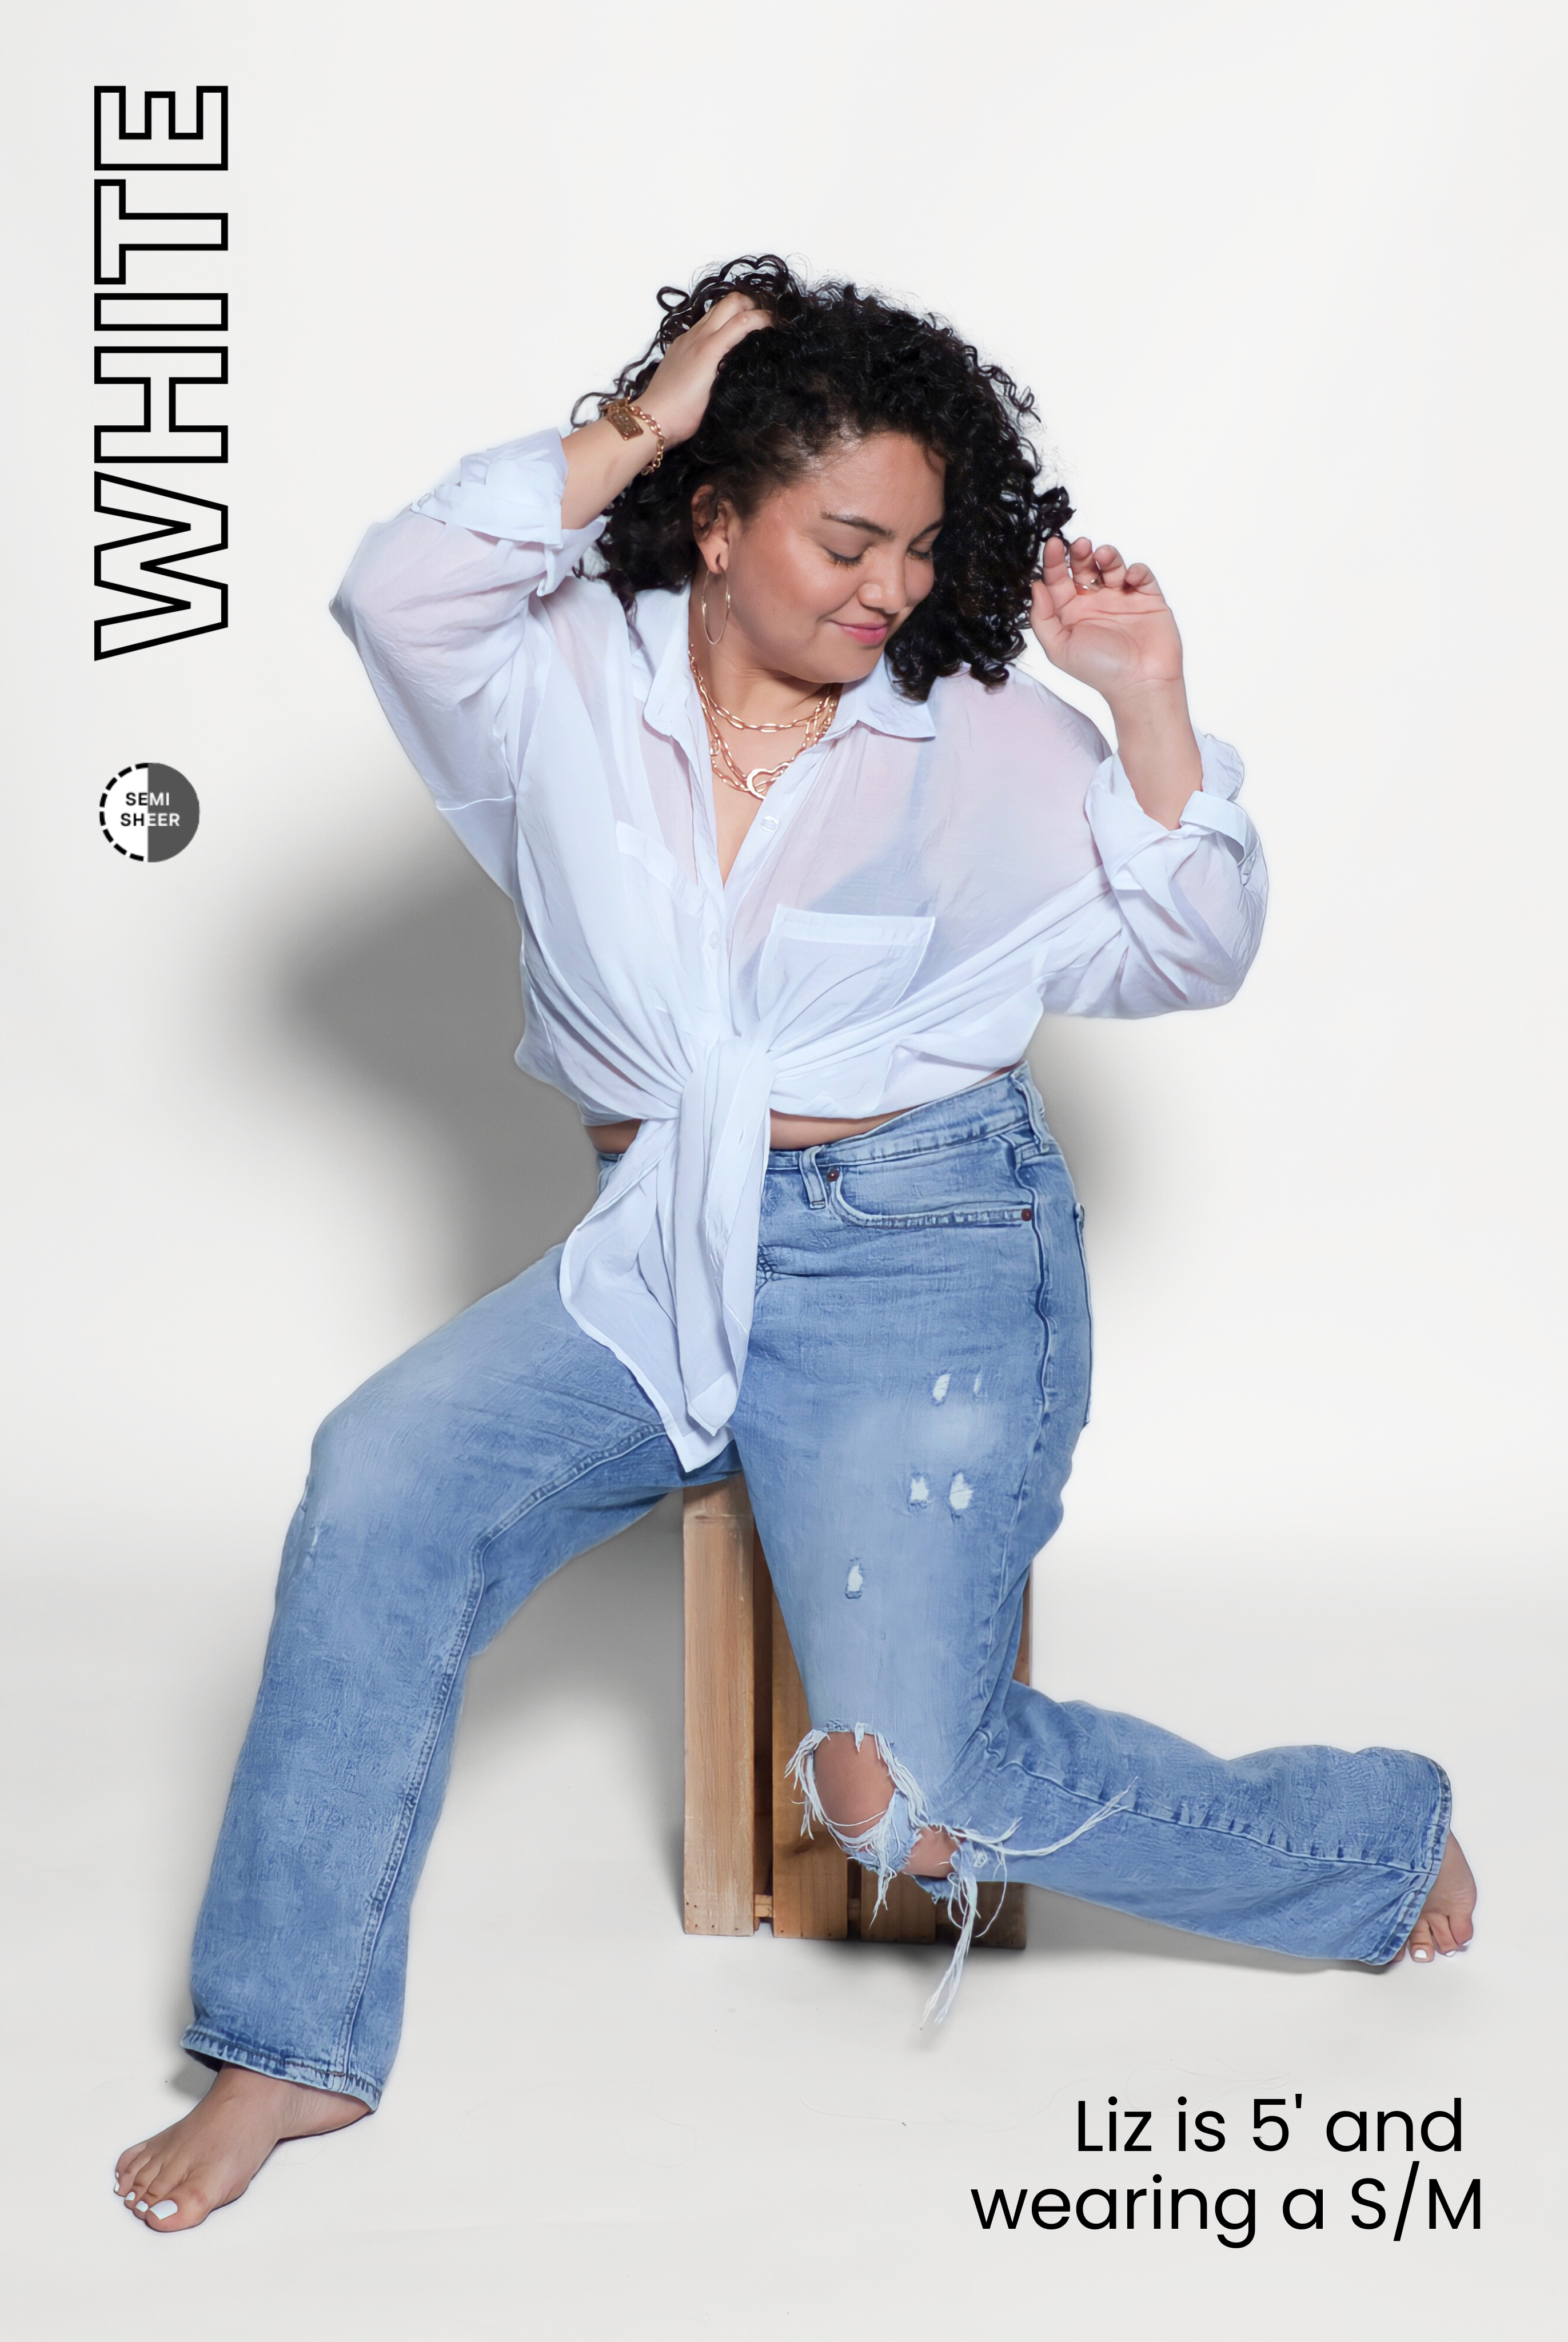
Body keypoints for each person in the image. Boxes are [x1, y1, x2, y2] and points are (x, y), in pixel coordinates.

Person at [114, 256, 1475, 2233]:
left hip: (928, 1255)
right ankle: (286, 2049)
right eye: (846, 538)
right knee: (382, 1480)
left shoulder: (980, 739)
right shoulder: (551, 681)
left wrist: (1152, 699)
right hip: (658, 1245)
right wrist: (651, 410)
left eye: (922, 550)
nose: (890, 588)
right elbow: (393, 582)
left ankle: (1360, 1842)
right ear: (722, 518)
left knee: (914, 1807)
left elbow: (1185, 948)